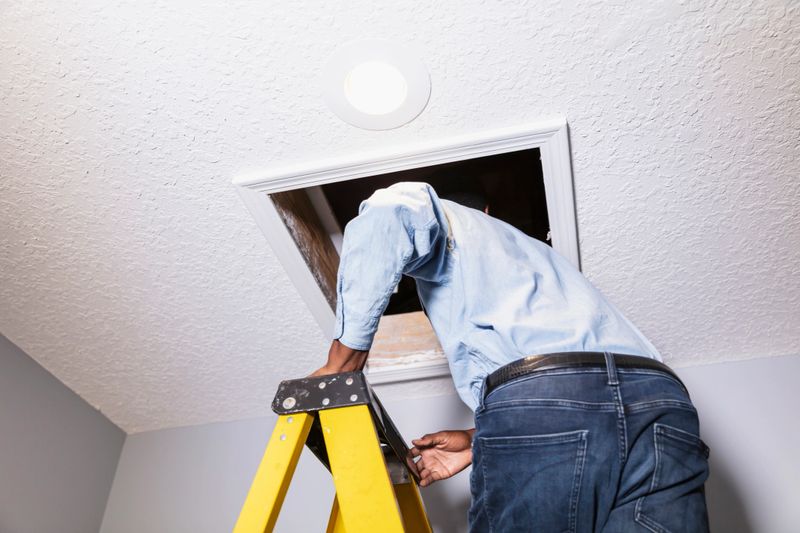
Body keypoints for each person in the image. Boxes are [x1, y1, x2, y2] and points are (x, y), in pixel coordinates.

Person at [312, 182, 709, 532]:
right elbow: (597, 397)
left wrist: (341, 363)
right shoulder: (540, 259)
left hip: (546, 394)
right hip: (662, 402)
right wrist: (476, 440)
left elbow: (389, 213)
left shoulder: (451, 221)